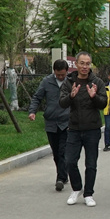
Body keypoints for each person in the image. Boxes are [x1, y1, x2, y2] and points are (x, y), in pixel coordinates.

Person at [59, 51, 108, 207]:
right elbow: (62, 103)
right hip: (74, 128)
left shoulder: (97, 82)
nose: (85, 66)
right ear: (76, 64)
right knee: (69, 161)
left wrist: (94, 96)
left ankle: (88, 194)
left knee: (91, 163)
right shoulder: (69, 82)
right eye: (82, 63)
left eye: (88, 63)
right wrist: (71, 96)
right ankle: (77, 188)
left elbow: (103, 104)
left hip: (92, 128)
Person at [28, 59, 70, 191]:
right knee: (56, 152)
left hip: (67, 122)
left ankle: (60, 178)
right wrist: (32, 111)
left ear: (67, 72)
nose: (61, 77)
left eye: (63, 74)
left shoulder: (71, 82)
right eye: (58, 74)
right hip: (51, 122)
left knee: (63, 151)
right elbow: (37, 97)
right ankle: (63, 174)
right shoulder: (47, 82)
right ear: (54, 71)